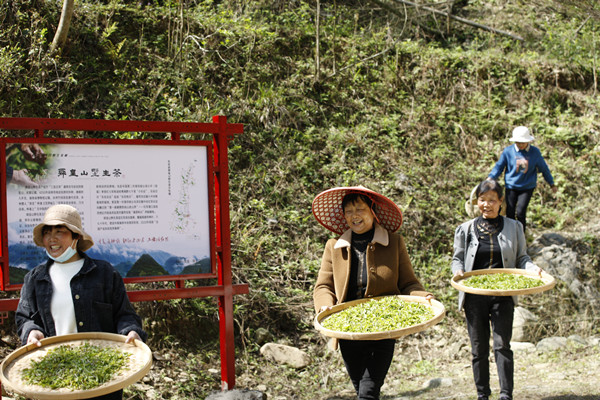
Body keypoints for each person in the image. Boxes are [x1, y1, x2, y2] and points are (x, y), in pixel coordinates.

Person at [312, 186, 433, 400]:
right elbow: (323, 286)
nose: (354, 216)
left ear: (372, 212)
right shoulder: (334, 246)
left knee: (368, 391)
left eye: (360, 209)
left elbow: (408, 283)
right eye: (349, 211)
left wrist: (422, 296)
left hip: (383, 329)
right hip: (347, 329)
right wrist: (324, 306)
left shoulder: (393, 242)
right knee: (363, 389)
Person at [15, 204, 147, 400]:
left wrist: (130, 331)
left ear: (76, 236)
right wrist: (31, 331)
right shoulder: (35, 279)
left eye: (60, 231)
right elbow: (24, 317)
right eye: (47, 232)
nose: (52, 238)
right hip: (54, 373)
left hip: (102, 370)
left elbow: (124, 314)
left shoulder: (103, 273)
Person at [451, 179, 543, 400]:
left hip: (503, 295)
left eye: (492, 200)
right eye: (482, 200)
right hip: (474, 296)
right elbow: (457, 259)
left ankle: (505, 394)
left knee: (502, 345)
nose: (487, 205)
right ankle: (483, 394)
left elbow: (522, 258)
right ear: (477, 202)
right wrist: (458, 271)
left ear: (501, 202)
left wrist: (532, 269)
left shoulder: (514, 227)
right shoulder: (465, 229)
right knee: (478, 349)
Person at [487, 126, 557, 233]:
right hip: (511, 186)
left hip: (527, 187)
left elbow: (544, 169)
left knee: (520, 212)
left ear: (528, 141)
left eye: (522, 142)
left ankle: (521, 236)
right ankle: (510, 235)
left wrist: (551, 183)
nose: (520, 145)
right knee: (510, 212)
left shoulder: (534, 152)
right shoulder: (508, 152)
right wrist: (491, 178)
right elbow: (499, 166)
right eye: (518, 142)